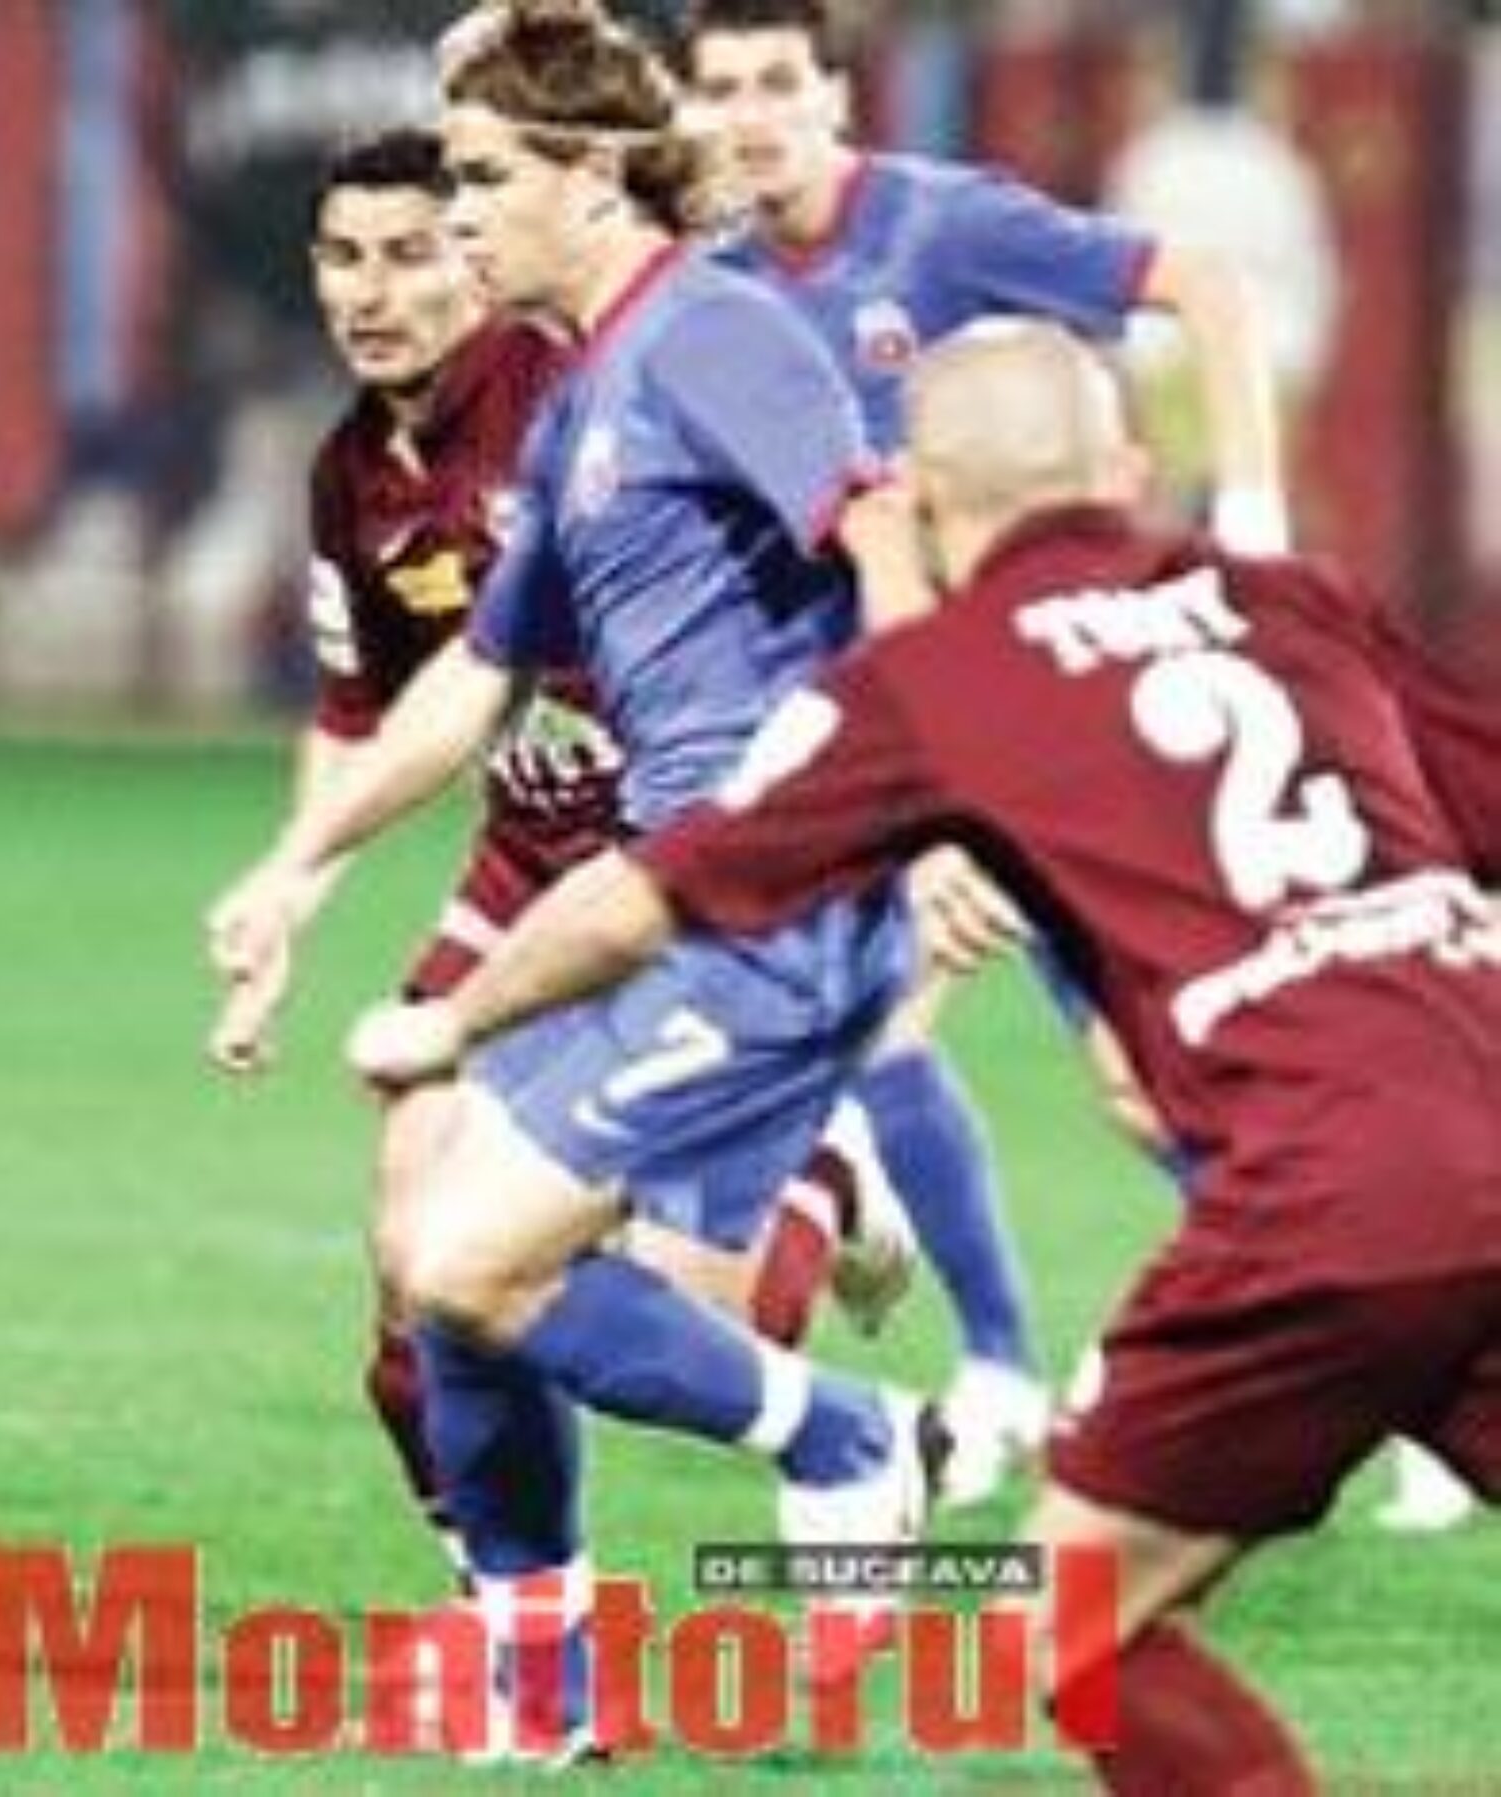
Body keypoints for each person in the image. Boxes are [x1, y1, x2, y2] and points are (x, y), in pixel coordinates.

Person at [351, 317, 1501, 1791]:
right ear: (1128, 469)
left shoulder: (938, 679)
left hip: (1324, 1194)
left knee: (1074, 1628)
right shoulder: (1296, 600)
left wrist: (454, 1019)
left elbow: (647, 896)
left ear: (928, 506)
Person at [209, 125, 918, 1593]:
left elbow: (847, 519)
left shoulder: (577, 381)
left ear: (479, 255)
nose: (372, 291)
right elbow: (370, 711)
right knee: (418, 1272)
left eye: (414, 249)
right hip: (529, 870)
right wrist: (290, 885)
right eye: (343, 258)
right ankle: (508, 1612)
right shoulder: (352, 472)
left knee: (697, 1314)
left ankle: (822, 1180)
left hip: (674, 874)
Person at [665, 0, 1292, 1503]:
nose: (751, 116)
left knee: (1144, 1070)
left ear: (836, 94)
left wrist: (1256, 525)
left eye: (777, 82)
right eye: (721, 89)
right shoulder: (717, 293)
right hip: (901, 733)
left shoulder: (942, 228)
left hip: (1053, 713)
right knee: (890, 1030)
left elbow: (1204, 286)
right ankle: (1008, 1365)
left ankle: (1357, 1328)